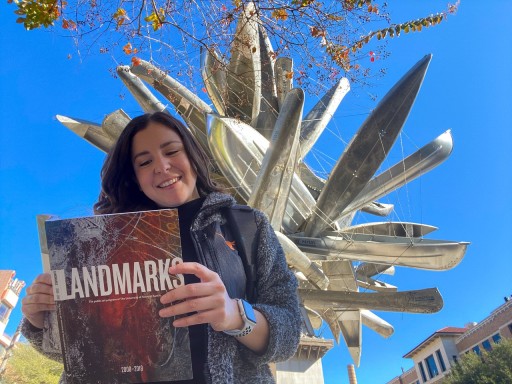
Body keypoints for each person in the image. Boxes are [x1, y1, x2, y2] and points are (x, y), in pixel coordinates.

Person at [21, 112, 302, 383]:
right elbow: (82, 353)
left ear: (193, 155)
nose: (161, 166)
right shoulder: (101, 241)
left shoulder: (247, 225)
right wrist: (39, 322)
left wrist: (234, 315)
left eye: (171, 151)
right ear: (135, 178)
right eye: (144, 162)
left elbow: (289, 333)